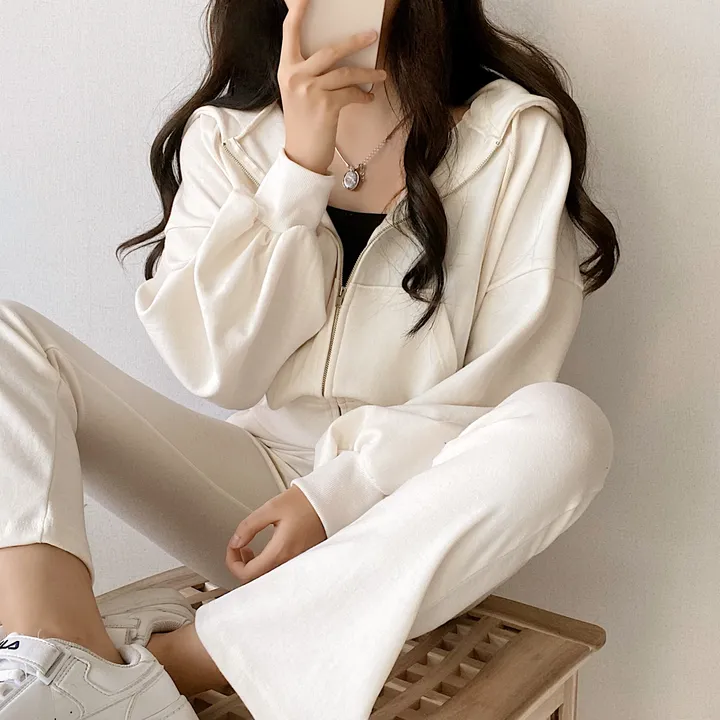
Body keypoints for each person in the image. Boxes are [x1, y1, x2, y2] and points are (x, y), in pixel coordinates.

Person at [0, 0, 620, 718]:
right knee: (8, 338)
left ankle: (168, 670)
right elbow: (223, 372)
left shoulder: (512, 136)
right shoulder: (228, 138)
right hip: (253, 505)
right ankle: (61, 661)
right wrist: (297, 170)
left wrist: (334, 499)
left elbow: (500, 386)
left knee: (568, 427)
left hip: (409, 515)